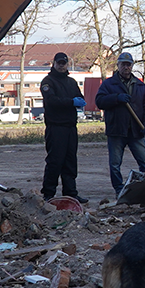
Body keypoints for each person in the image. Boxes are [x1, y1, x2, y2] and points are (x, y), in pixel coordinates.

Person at [94, 52, 145, 194]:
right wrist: (116, 98)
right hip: (117, 130)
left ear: (132, 66)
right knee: (115, 164)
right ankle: (119, 190)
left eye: (128, 64)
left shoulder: (139, 85)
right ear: (118, 65)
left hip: (136, 130)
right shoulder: (109, 84)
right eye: (123, 64)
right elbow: (99, 101)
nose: (126, 67)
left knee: (144, 162)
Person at [39, 51, 87, 203]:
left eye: (63, 63)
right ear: (54, 64)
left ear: (67, 64)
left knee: (70, 162)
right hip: (56, 127)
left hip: (70, 127)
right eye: (59, 63)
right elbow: (52, 101)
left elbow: (80, 97)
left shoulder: (71, 82)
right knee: (55, 161)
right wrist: (71, 102)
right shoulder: (48, 81)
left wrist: (79, 101)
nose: (61, 66)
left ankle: (71, 193)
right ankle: (48, 193)